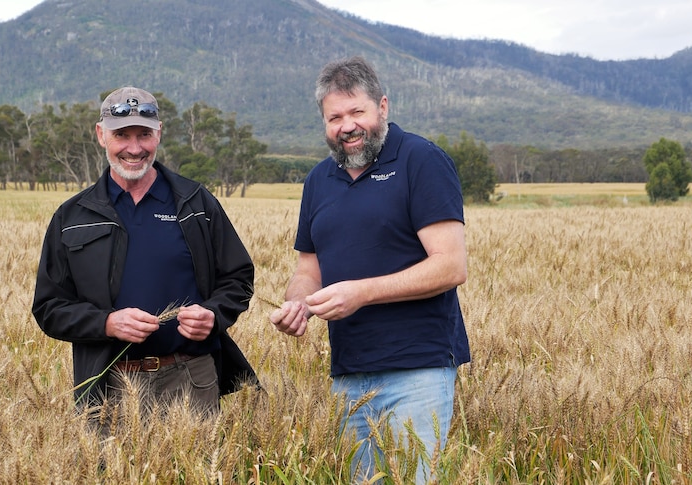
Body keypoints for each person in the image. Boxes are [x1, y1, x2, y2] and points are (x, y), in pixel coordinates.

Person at [269, 56, 470, 484]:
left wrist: (361, 293)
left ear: (382, 106)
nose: (347, 126)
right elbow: (308, 269)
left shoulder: (421, 160)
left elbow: (451, 266)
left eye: (357, 111)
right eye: (334, 117)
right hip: (349, 374)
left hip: (418, 370)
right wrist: (296, 304)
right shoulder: (319, 180)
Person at [32, 86, 257, 426]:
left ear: (159, 134)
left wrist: (213, 314)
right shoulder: (72, 216)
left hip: (190, 380)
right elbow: (49, 308)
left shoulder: (196, 203)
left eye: (144, 135)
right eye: (122, 135)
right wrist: (107, 323)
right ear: (101, 134)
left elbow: (238, 278)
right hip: (107, 386)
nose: (134, 148)